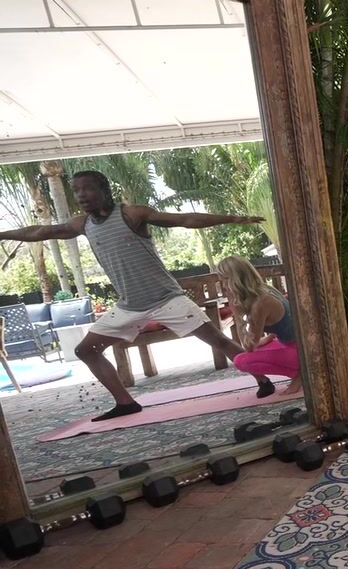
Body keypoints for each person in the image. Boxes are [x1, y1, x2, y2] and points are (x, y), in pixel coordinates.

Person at [0, 170, 266, 421]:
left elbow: (184, 219)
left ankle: (263, 380)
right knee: (85, 350)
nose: (81, 195)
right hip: (129, 306)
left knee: (218, 340)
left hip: (167, 299)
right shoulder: (83, 224)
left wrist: (234, 219)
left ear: (104, 190)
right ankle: (125, 403)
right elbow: (40, 232)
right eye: (76, 190)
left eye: (87, 189)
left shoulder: (132, 214)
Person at [215, 255, 301, 397]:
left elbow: (248, 346)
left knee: (241, 361)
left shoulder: (260, 304)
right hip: (295, 343)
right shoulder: (265, 289)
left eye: (224, 280)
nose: (223, 285)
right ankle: (300, 372)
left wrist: (236, 314)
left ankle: (300, 375)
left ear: (234, 280)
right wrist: (268, 338)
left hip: (301, 351)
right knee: (259, 348)